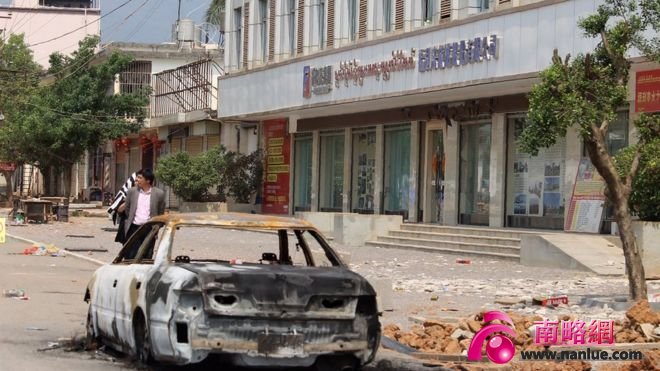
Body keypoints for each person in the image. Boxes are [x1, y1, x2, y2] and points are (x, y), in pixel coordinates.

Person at [118, 168, 166, 258]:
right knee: (131, 254)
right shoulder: (132, 192)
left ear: (148, 180)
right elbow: (128, 209)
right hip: (133, 228)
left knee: (146, 254)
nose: (137, 180)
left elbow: (160, 212)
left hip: (149, 229)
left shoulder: (159, 194)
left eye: (140, 178)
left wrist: (157, 226)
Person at [107, 172, 138, 244]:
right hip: (129, 228)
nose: (137, 182)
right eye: (136, 180)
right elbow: (120, 210)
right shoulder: (127, 195)